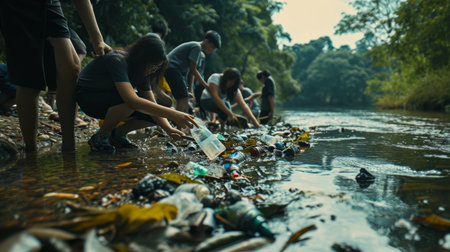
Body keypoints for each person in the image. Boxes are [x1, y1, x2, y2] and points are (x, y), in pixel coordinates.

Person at [0, 0, 111, 153]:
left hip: (49, 3)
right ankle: (31, 152)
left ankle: (68, 148)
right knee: (30, 81)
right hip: (17, 6)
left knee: (71, 67)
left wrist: (98, 40)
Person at [76, 35, 197, 153]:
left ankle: (118, 134)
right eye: (153, 66)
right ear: (142, 59)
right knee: (134, 103)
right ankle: (101, 137)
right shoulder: (117, 60)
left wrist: (169, 129)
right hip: (89, 98)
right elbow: (132, 100)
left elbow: (151, 103)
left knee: (159, 106)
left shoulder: (142, 72)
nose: (154, 70)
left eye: (157, 67)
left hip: (109, 100)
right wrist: (174, 114)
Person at [165, 30, 221, 113]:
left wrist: (190, 89)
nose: (212, 50)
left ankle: (181, 122)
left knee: (185, 96)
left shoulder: (198, 51)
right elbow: (193, 69)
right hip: (172, 68)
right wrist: (206, 86)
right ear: (206, 41)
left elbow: (190, 72)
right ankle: (179, 123)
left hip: (176, 71)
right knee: (183, 97)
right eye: (212, 47)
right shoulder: (196, 47)